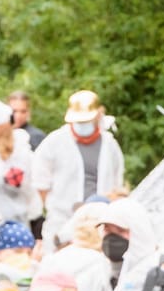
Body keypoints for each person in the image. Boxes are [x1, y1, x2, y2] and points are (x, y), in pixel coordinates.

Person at [35, 90, 124, 240]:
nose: (83, 125)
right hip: (62, 220)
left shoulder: (110, 145)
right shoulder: (54, 142)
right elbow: (40, 184)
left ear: (98, 115)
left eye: (86, 121)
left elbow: (117, 185)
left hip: (99, 221)